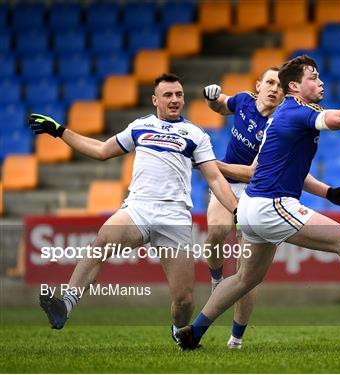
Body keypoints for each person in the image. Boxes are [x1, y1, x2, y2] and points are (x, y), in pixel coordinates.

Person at [176, 56, 340, 350]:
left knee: (245, 278)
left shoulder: (287, 113)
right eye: (313, 76)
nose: (320, 81)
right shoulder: (296, 113)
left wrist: (329, 194)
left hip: (252, 206)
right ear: (295, 86)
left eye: (320, 76)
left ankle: (193, 333)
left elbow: (286, 167)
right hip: (272, 205)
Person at [30, 73, 238, 345]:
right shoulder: (139, 127)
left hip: (174, 215)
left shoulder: (196, 135)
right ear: (155, 100)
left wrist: (236, 210)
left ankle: (178, 330)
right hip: (138, 207)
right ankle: (65, 306)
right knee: (101, 243)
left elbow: (214, 178)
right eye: (168, 95)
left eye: (179, 95)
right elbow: (102, 150)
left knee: (184, 299)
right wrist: (60, 131)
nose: (175, 100)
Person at [200, 67, 283, 349]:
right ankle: (215, 280)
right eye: (270, 82)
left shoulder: (279, 126)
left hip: (255, 192)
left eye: (280, 86)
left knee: (247, 273)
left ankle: (236, 338)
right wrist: (211, 96)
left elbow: (250, 172)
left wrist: (210, 164)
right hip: (226, 186)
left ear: (284, 96)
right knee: (216, 232)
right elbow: (220, 105)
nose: (274, 89)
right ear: (258, 86)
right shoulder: (244, 101)